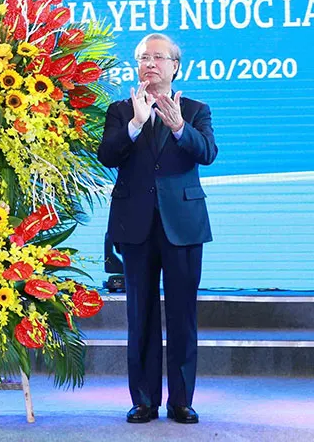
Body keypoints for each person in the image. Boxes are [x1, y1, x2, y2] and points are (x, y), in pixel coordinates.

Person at [98, 33, 218, 425]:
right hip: (135, 224)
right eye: (143, 58)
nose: (149, 64)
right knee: (141, 314)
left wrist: (180, 127)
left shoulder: (195, 110)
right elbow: (107, 155)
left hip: (182, 224)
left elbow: (208, 153)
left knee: (182, 315)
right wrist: (135, 125)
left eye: (158, 57)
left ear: (174, 66)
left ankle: (181, 400)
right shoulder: (121, 111)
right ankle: (144, 400)